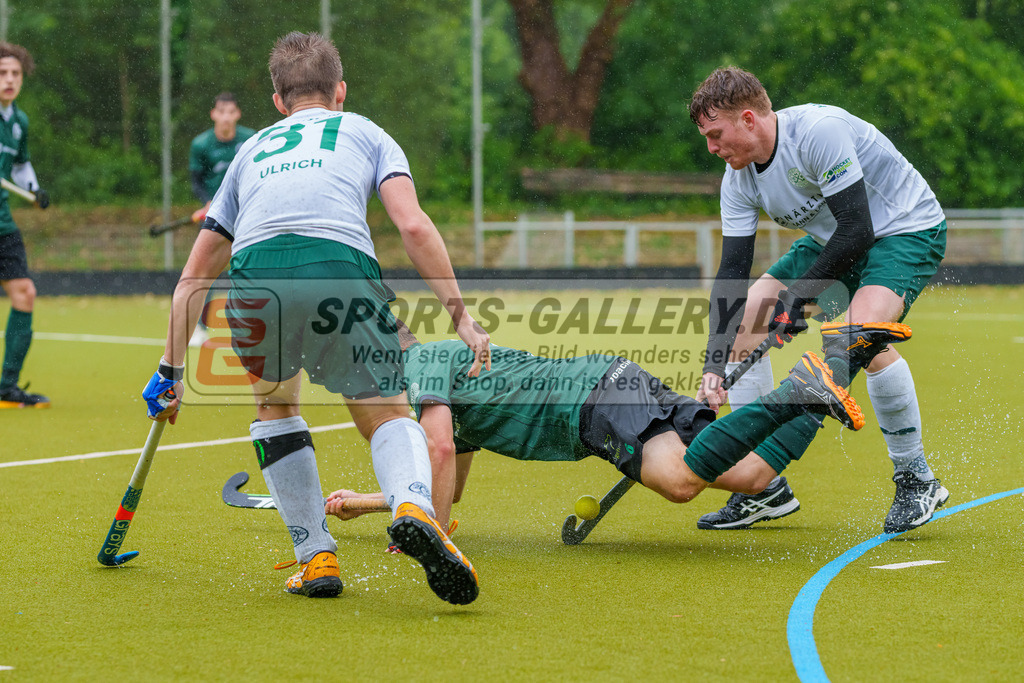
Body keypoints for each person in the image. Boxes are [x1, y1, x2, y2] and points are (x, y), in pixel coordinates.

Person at [142, 32, 491, 605]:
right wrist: (461, 318)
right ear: (340, 92)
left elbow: (193, 280)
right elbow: (413, 226)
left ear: (278, 101)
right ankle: (411, 506)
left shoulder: (248, 152)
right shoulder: (366, 131)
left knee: (277, 407)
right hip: (339, 268)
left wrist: (169, 371)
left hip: (259, 277)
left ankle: (317, 558)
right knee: (383, 411)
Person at [688, 66, 949, 533]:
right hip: (833, 240)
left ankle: (916, 479)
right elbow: (731, 274)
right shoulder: (739, 179)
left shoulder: (816, 133)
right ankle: (762, 489)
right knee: (746, 317)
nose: (711, 148)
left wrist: (797, 299)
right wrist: (713, 366)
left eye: (715, 134)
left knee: (858, 339)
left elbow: (858, 229)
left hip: (902, 230)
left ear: (748, 119)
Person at [324, 325, 865, 534]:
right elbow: (450, 480)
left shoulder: (421, 371)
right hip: (610, 382)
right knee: (751, 474)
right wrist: (371, 502)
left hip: (592, 402)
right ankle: (840, 363)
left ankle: (797, 390)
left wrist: (432, 537)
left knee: (679, 482)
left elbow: (436, 448)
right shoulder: (444, 385)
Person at [0, 42, 51, 409]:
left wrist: (33, 190)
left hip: (2, 221)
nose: (9, 79)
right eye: (2, 73)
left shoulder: (19, 121)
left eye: (15, 73)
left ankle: (7, 387)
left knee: (24, 294)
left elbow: (19, 166)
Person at [188, 92, 255, 225]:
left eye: (231, 112)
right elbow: (196, 182)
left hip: (245, 211)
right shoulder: (200, 144)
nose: (226, 117)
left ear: (238, 114)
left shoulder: (251, 139)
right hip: (213, 213)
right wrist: (208, 202)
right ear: (213, 114)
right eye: (221, 111)